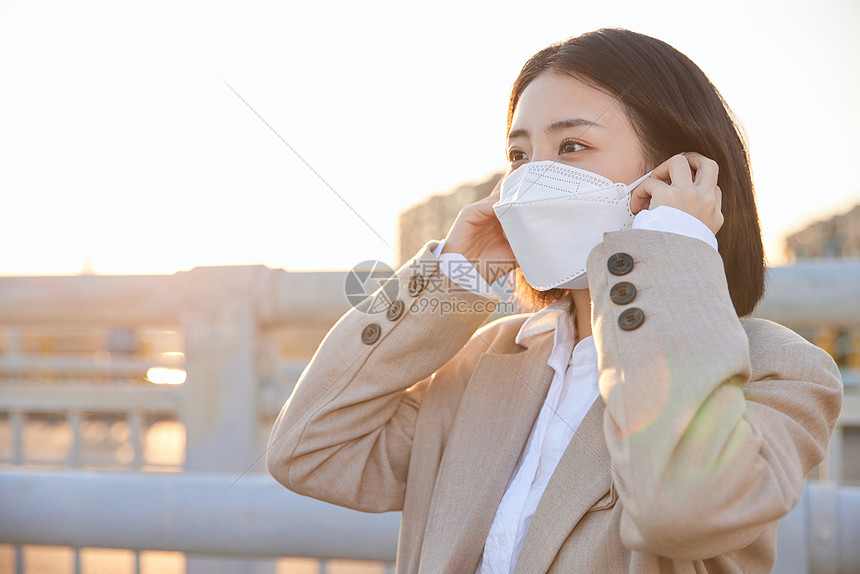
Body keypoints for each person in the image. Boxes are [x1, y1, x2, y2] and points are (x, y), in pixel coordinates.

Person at [266, 28, 843, 573]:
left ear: (680, 174)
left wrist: (671, 254)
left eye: (571, 145)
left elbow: (681, 511)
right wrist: (451, 277)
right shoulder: (483, 366)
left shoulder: (780, 372)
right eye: (519, 156)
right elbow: (309, 449)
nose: (534, 176)